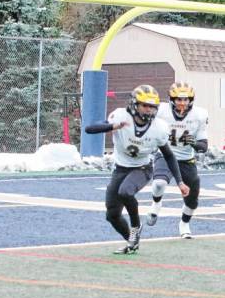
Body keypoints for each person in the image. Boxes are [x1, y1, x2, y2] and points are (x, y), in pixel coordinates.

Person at [85, 85, 189, 254]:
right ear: (134, 104)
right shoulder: (120, 116)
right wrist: (113, 126)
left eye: (152, 107)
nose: (149, 110)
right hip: (121, 168)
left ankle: (136, 226)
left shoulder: (159, 127)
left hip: (142, 168)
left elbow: (168, 155)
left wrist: (180, 182)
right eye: (145, 105)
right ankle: (132, 242)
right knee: (112, 215)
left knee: (125, 192)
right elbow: (89, 129)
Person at [146, 82, 208, 238]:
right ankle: (156, 203)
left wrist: (193, 142)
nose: (182, 103)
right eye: (179, 99)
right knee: (159, 183)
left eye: (186, 99)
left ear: (191, 100)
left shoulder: (199, 115)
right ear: (172, 99)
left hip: (186, 159)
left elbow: (204, 146)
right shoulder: (161, 111)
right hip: (166, 154)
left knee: (192, 200)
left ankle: (184, 223)